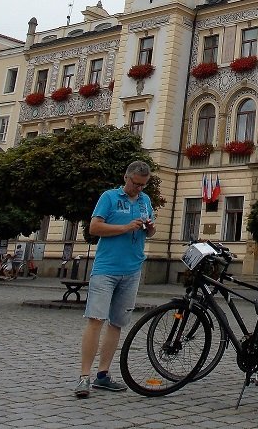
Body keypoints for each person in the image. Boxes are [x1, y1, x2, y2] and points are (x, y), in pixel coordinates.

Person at [74, 161, 161, 398]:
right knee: (96, 319)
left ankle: (103, 375)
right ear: (126, 178)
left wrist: (149, 228)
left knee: (117, 323)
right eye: (136, 184)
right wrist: (125, 228)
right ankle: (84, 377)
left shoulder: (145, 201)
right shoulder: (110, 197)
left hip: (132, 269)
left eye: (144, 185)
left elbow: (150, 232)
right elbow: (94, 227)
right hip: (106, 269)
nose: (139, 189)